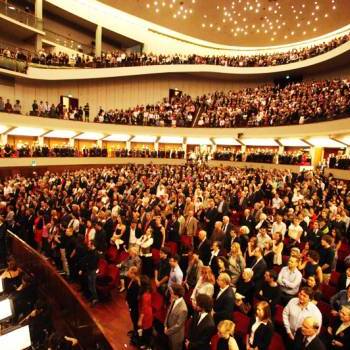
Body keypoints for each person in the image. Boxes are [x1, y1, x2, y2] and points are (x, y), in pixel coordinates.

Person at [164, 283, 188, 350]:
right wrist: (165, 325)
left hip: (176, 336)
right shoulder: (174, 299)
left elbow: (178, 325)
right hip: (169, 331)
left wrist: (167, 331)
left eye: (171, 292)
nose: (170, 293)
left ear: (176, 294)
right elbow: (168, 312)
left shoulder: (183, 309)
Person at [126, 266, 141, 345]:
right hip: (131, 305)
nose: (128, 273)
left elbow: (134, 298)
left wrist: (130, 305)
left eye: (130, 272)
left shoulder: (136, 284)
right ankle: (135, 330)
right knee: (133, 319)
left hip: (134, 306)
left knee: (135, 319)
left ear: (133, 274)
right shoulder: (132, 280)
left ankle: (136, 335)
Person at [138, 276, 153, 350]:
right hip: (148, 312)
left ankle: (148, 346)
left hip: (146, 314)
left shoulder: (145, 296)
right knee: (147, 331)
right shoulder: (148, 290)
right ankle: (146, 345)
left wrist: (140, 320)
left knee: (147, 331)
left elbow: (143, 309)